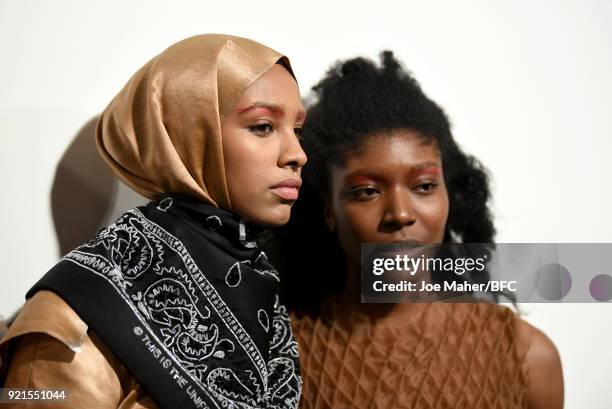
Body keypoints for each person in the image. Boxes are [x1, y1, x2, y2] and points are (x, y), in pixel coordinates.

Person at [0, 34, 307, 409]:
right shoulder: (78, 312)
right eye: (263, 126)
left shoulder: (262, 294)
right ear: (189, 134)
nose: (297, 154)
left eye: (298, 129)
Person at [274, 52, 563, 409]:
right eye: (367, 191)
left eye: (424, 186)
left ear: (449, 195)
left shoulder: (526, 356)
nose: (400, 213)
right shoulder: (279, 357)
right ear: (328, 210)